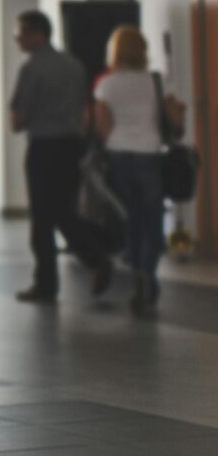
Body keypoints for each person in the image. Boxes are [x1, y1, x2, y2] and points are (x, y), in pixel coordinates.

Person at [9, 10, 112, 303]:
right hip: (71, 147)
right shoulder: (74, 65)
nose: (18, 40)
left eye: (21, 33)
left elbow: (18, 120)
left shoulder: (31, 70)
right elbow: (84, 109)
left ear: (37, 34)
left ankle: (47, 283)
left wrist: (27, 118)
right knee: (64, 211)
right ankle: (96, 254)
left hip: (43, 148)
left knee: (43, 217)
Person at [94, 26, 185, 315]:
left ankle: (135, 271)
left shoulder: (107, 85)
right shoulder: (157, 82)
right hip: (149, 155)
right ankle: (148, 273)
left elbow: (103, 127)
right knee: (152, 218)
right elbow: (175, 116)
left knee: (129, 218)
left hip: (119, 156)